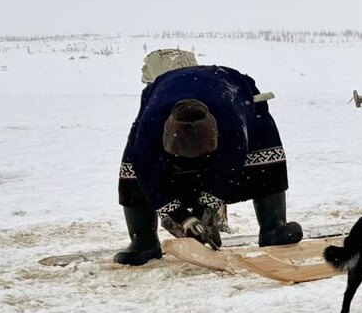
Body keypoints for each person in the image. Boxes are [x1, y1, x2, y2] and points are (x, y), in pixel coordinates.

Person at [114, 55, 303, 265]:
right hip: (164, 96)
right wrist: (182, 218)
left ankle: (273, 229)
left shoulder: (232, 123)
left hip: (231, 91)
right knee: (132, 170)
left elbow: (229, 170)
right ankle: (144, 242)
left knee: (264, 157)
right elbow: (147, 175)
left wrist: (206, 210)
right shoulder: (150, 128)